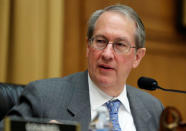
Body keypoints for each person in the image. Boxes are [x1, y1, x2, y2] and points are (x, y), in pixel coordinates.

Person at [6, 4, 164, 131]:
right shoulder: (44, 98)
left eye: (120, 45)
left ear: (137, 57)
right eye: (101, 41)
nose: (107, 54)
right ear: (88, 47)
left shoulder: (153, 109)